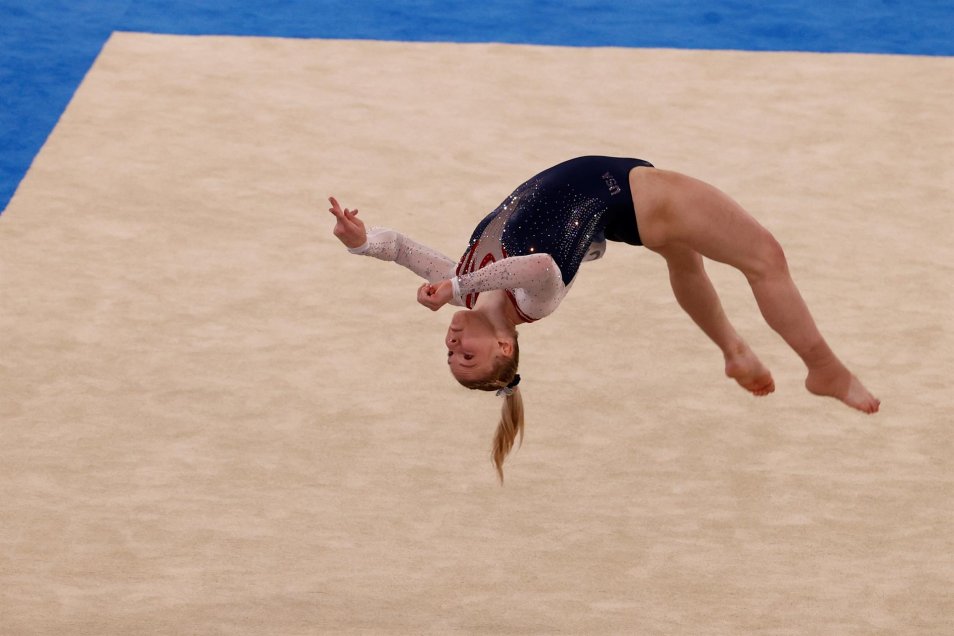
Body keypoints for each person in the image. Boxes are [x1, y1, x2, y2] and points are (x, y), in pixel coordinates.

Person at [328, 156, 880, 481]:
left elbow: (400, 247)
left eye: (449, 354)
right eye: (465, 357)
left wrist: (361, 241)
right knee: (765, 257)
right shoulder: (530, 300)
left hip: (620, 206)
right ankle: (823, 368)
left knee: (683, 259)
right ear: (504, 349)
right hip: (639, 198)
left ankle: (733, 350)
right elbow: (541, 264)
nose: (451, 344)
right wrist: (457, 286)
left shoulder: (467, 285)